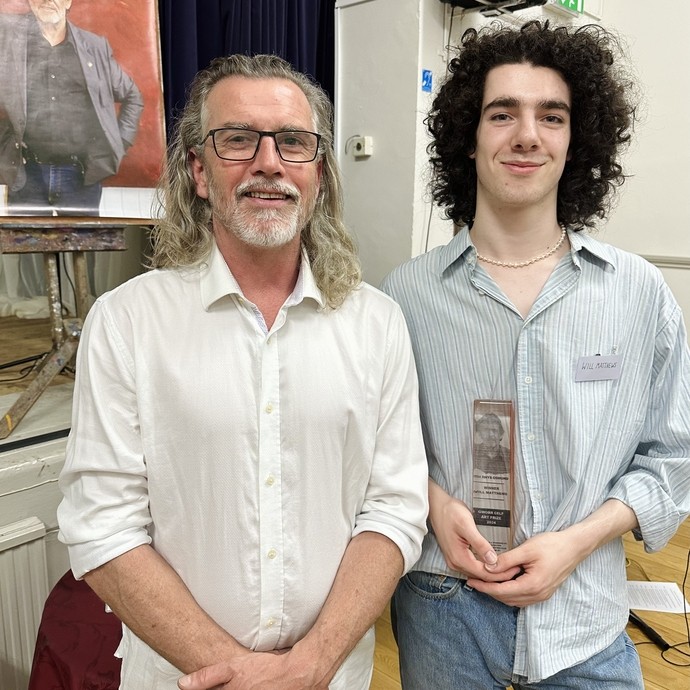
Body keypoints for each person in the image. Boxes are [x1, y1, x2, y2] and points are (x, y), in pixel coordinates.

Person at [56, 53, 428, 689]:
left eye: (292, 142)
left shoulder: (377, 323)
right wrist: (236, 675)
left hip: (330, 678)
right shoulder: (127, 322)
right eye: (237, 140)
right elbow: (102, 526)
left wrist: (309, 667)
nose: (268, 162)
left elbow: (392, 509)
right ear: (199, 172)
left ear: (319, 173)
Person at [381, 20, 690, 689]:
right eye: (503, 113)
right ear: (469, 136)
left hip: (585, 612)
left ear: (577, 139)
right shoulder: (404, 298)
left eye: (552, 115)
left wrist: (577, 542)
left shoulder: (637, 293)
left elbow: (674, 460)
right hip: (444, 611)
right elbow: (375, 448)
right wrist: (434, 501)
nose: (527, 134)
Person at [0, 0, 143, 215]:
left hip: (81, 179)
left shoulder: (94, 48)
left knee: (85, 245)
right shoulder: (8, 41)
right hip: (26, 176)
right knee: (24, 246)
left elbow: (133, 95)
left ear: (68, 2)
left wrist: (118, 142)